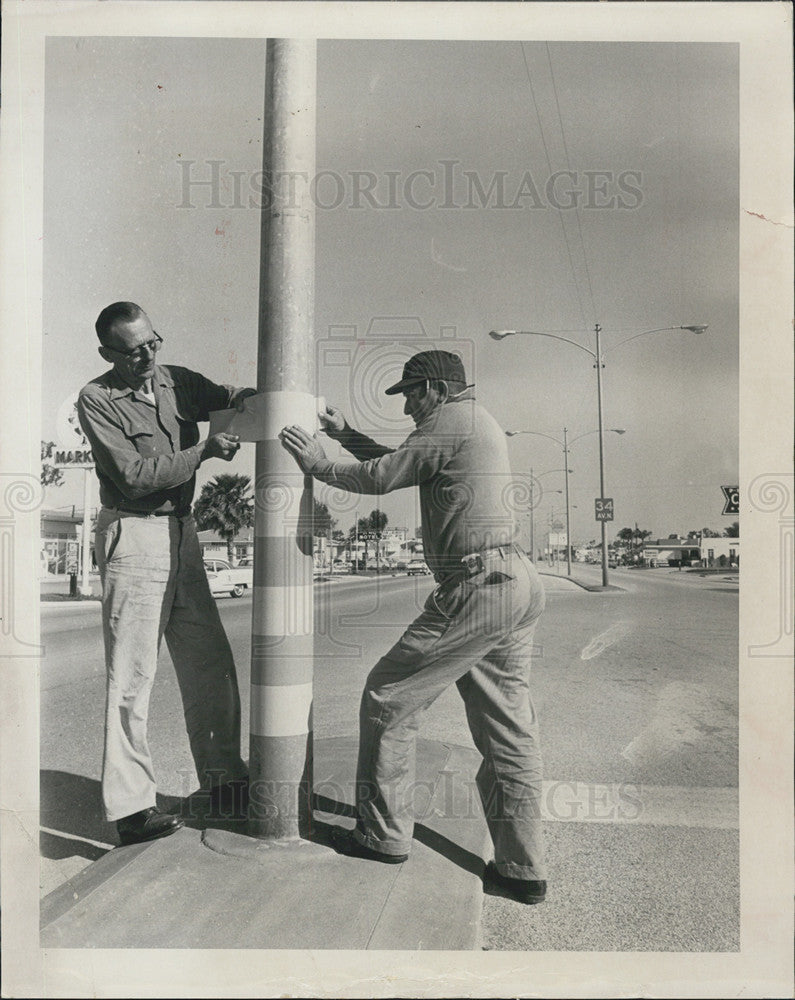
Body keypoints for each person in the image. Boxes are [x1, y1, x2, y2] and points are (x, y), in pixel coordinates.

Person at [280, 349, 548, 904]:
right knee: (508, 727)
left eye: (409, 394)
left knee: (388, 695)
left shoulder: (450, 420)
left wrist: (317, 463)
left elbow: (382, 477)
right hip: (512, 582)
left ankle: (383, 837)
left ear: (435, 389)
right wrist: (346, 434)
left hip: (478, 586)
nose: (406, 407)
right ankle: (523, 870)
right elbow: (401, 464)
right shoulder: (472, 420)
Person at [77, 301, 254, 846]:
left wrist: (247, 400)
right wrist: (202, 452)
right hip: (135, 533)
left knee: (211, 665)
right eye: (133, 351)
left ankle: (226, 784)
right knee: (132, 678)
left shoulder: (175, 380)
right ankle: (131, 812)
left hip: (183, 532)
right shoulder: (96, 398)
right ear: (109, 354)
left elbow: (227, 397)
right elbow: (132, 477)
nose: (148, 356)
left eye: (154, 342)